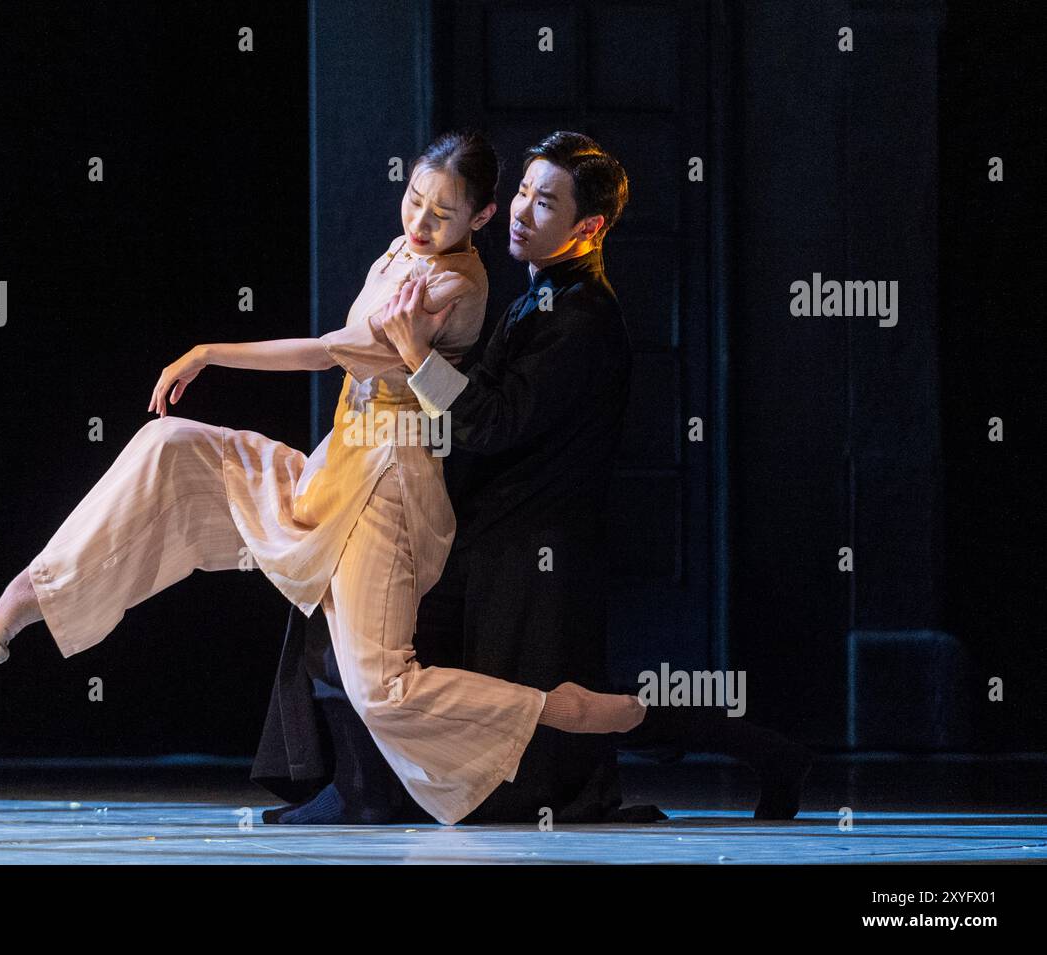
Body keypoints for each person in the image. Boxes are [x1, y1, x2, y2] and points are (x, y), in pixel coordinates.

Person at [0, 129, 649, 828]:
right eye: (415, 200)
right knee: (172, 445)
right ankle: (46, 585)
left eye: (441, 214)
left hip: (386, 490)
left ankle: (557, 707)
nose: (419, 222)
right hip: (341, 463)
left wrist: (210, 351)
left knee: (382, 687)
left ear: (474, 221)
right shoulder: (408, 251)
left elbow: (332, 353)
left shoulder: (453, 286)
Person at [256, 131, 811, 824]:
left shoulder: (582, 315)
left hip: (530, 552)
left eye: (544, 202)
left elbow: (490, 420)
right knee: (400, 647)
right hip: (493, 533)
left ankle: (763, 748)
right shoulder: (539, 295)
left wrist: (409, 351)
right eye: (521, 191)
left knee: (552, 718)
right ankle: (356, 790)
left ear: (590, 225)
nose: (520, 211)